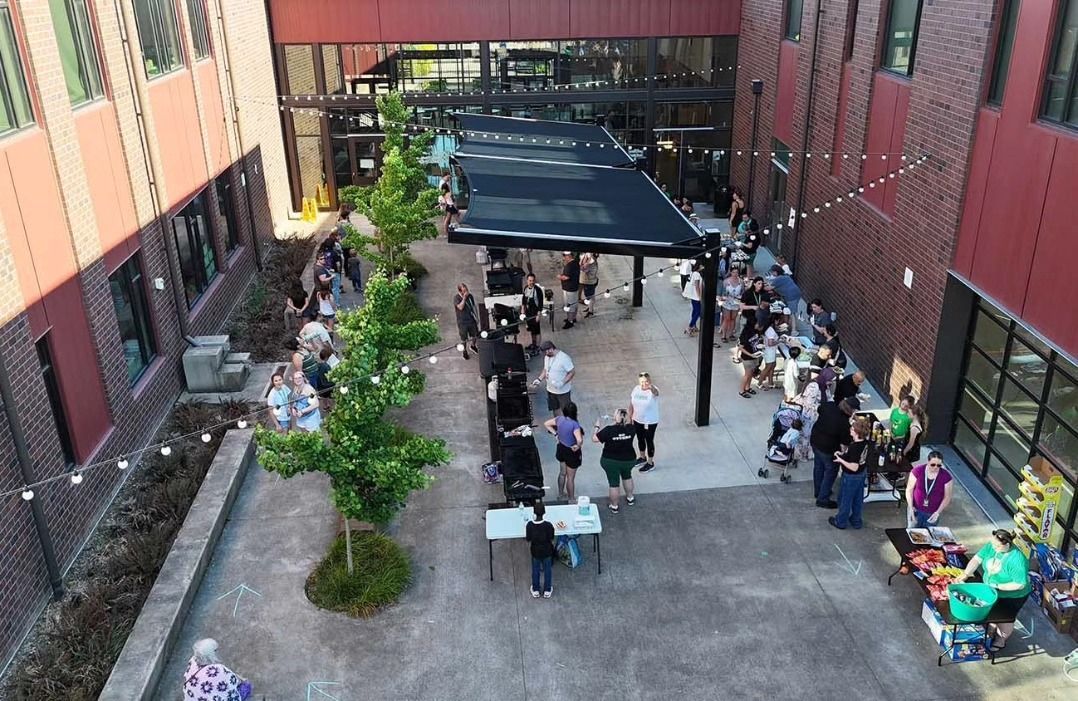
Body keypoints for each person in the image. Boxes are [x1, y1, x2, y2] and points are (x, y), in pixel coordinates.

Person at [954, 529, 1031, 650]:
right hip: (990, 589)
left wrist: (998, 586)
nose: (993, 547)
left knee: (1004, 618)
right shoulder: (992, 545)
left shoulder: (1017, 560)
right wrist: (966, 573)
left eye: (997, 546)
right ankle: (991, 629)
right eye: (993, 544)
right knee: (991, 612)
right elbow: (977, 559)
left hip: (1012, 596)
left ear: (1007, 544)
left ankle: (1001, 640)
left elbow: (1019, 584)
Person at [811, 397, 860, 507]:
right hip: (828, 449)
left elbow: (820, 409)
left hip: (815, 441)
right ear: (850, 410)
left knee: (818, 467)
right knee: (831, 471)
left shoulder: (829, 405)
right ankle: (822, 499)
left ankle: (818, 491)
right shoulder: (843, 423)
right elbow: (846, 441)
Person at [829, 419, 871, 530]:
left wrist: (840, 460)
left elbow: (854, 466)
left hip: (851, 477)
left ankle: (841, 521)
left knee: (845, 500)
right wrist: (843, 454)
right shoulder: (865, 443)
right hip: (861, 474)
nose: (850, 430)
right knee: (857, 499)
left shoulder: (854, 447)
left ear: (857, 432)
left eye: (852, 429)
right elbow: (855, 458)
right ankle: (856, 520)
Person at [593, 409, 637, 512]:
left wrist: (597, 427)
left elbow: (594, 439)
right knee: (627, 476)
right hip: (628, 459)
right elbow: (630, 422)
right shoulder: (631, 429)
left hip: (611, 461)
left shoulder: (608, 430)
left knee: (614, 483)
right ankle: (630, 498)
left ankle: (614, 506)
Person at [183, 638, 251, 701]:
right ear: (211, 654)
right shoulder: (217, 670)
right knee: (246, 685)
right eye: (216, 650)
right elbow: (235, 681)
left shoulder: (192, 661)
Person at [544, 401, 584, 501]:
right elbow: (579, 439)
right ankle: (571, 499)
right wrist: (577, 446)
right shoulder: (575, 425)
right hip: (571, 451)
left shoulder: (559, 419)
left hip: (561, 447)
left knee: (562, 473)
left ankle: (561, 494)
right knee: (570, 478)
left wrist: (556, 434)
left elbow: (547, 424)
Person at [905, 450, 953, 528]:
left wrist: (938, 512)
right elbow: (909, 489)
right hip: (915, 509)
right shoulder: (917, 471)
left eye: (938, 465)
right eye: (933, 464)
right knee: (912, 532)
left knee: (929, 535)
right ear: (928, 462)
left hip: (932, 513)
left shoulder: (946, 476)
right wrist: (910, 507)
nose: (935, 467)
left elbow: (947, 497)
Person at [628, 371, 660, 472]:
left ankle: (650, 463)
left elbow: (656, 393)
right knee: (640, 438)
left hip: (649, 421)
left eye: (646, 381)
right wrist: (630, 417)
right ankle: (642, 457)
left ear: (649, 381)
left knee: (649, 440)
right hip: (637, 419)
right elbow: (631, 404)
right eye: (642, 382)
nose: (644, 384)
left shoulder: (653, 390)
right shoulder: (636, 389)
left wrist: (651, 387)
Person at [535, 341, 574, 416]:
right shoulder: (547, 357)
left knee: (567, 411)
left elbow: (572, 372)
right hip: (551, 390)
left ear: (551, 349)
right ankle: (558, 424)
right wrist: (539, 379)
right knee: (555, 408)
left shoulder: (564, 358)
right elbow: (546, 369)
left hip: (562, 392)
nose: (545, 355)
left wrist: (562, 382)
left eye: (546, 352)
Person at [525, 502, 556, 598]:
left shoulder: (529, 525)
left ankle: (536, 589)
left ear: (533, 512)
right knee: (547, 570)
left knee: (535, 570)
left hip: (535, 551)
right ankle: (547, 589)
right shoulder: (548, 525)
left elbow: (528, 539)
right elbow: (551, 537)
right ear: (544, 512)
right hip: (547, 551)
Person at [767, 265, 802, 334]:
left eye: (772, 272)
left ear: (776, 272)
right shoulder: (786, 276)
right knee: (789, 311)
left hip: (791, 296)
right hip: (796, 293)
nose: (772, 274)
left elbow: (769, 288)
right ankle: (787, 325)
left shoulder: (777, 279)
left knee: (792, 312)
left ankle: (794, 330)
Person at [737, 316, 764, 398]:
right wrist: (751, 355)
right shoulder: (746, 333)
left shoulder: (756, 331)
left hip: (755, 355)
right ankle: (742, 390)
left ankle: (748, 387)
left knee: (751, 373)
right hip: (747, 357)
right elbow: (740, 347)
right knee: (747, 374)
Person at [453, 283, 480, 359]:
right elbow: (460, 307)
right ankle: (464, 351)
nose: (466, 292)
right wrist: (464, 298)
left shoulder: (470, 296)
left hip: (471, 319)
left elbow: (473, 307)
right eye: (464, 291)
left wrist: (476, 317)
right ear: (460, 291)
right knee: (464, 338)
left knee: (475, 335)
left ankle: (473, 345)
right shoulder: (456, 298)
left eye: (466, 290)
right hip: (462, 322)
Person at [718, 266, 743, 343]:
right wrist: (723, 297)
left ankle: (731, 334)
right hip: (727, 302)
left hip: (736, 302)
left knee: (733, 319)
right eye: (734, 272)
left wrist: (740, 298)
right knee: (726, 318)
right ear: (731, 273)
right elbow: (722, 293)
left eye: (737, 272)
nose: (735, 274)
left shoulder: (741, 281)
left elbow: (743, 292)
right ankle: (724, 335)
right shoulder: (726, 281)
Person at [520, 274, 545, 351]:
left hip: (535, 312)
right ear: (527, 281)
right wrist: (522, 309)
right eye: (530, 280)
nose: (531, 282)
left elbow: (540, 303)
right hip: (528, 312)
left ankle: (538, 346)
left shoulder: (538, 290)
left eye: (533, 280)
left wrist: (538, 314)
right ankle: (533, 343)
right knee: (531, 329)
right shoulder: (525, 288)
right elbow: (524, 299)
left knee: (536, 330)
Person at [757, 314, 781, 391]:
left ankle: (771, 383)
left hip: (770, 351)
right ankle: (759, 383)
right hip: (770, 351)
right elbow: (770, 343)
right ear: (775, 321)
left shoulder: (768, 328)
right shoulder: (771, 330)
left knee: (773, 365)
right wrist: (779, 341)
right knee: (768, 368)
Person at [559, 252, 580, 328]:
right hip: (575, 287)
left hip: (569, 289)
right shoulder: (576, 263)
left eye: (564, 256)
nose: (564, 258)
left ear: (569, 256)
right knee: (574, 304)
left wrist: (560, 277)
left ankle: (570, 321)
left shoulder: (569, 266)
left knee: (569, 305)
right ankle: (573, 318)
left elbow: (566, 277)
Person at [682, 260, 703, 336]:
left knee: (695, 310)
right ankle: (690, 326)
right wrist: (699, 296)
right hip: (695, 296)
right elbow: (697, 286)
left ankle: (693, 325)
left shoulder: (692, 272)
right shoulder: (697, 274)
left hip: (692, 295)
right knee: (698, 311)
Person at [737, 212, 761, 276]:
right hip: (753, 252)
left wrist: (741, 243)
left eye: (747, 230)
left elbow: (749, 246)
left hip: (750, 253)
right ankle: (752, 275)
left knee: (748, 267)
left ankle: (749, 278)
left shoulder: (751, 237)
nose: (746, 231)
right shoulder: (754, 235)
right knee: (750, 265)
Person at [578, 252, 599, 318]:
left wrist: (582, 260)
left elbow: (582, 268)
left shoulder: (591, 264)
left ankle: (590, 311)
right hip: (592, 281)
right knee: (590, 297)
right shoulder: (594, 262)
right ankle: (590, 308)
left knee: (590, 297)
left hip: (589, 283)